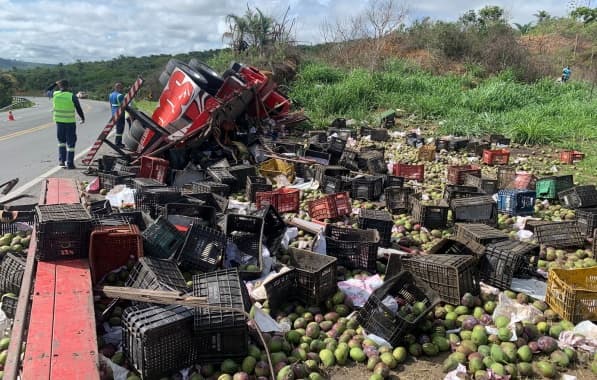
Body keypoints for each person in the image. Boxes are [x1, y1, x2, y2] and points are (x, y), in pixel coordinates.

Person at [52, 79, 85, 169]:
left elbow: (47, 90)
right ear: (68, 86)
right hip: (70, 123)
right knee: (71, 143)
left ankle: (62, 161)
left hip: (59, 122)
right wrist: (82, 117)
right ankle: (70, 163)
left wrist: (55, 84)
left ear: (59, 86)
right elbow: (78, 108)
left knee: (61, 142)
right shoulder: (72, 96)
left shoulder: (55, 94)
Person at [109, 82, 126, 148]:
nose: (122, 89)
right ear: (118, 88)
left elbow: (110, 105)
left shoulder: (110, 95)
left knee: (117, 128)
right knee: (120, 129)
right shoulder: (120, 96)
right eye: (121, 87)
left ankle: (118, 142)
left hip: (114, 113)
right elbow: (124, 106)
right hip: (120, 114)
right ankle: (118, 143)